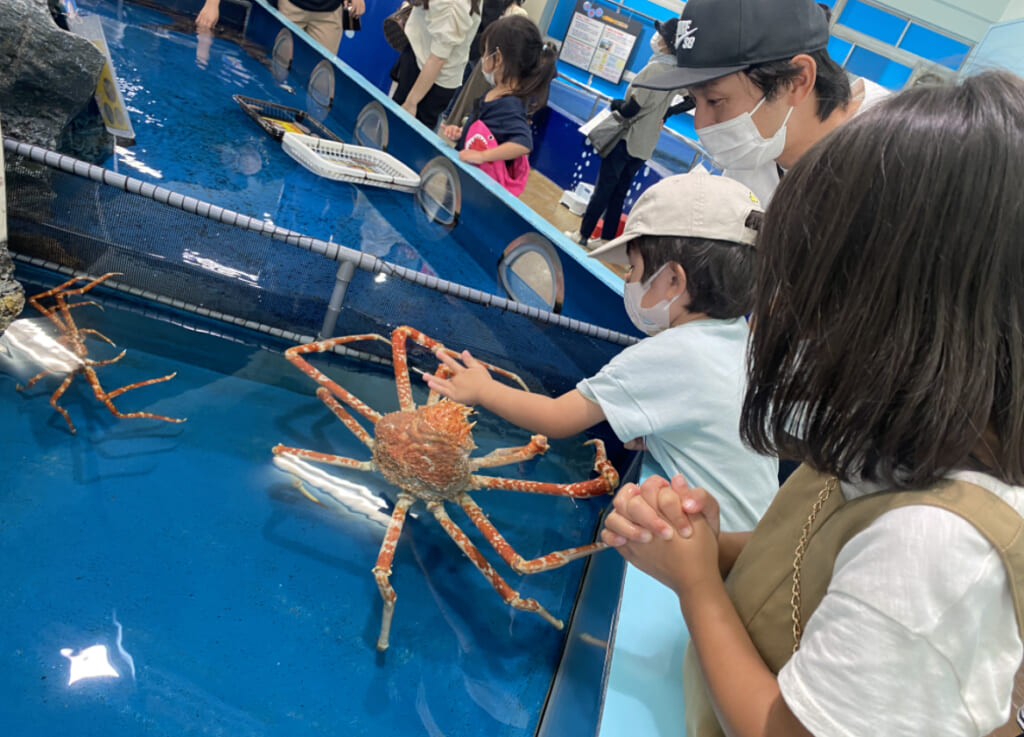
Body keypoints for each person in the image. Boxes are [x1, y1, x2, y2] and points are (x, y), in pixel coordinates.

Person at [602, 70, 1024, 737]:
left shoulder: (936, 549)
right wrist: (708, 547)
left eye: (813, 282)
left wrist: (697, 585)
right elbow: (809, 556)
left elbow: (784, 728)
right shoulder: (889, 437)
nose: (779, 308)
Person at [426, 169, 779, 532]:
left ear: (673, 280)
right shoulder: (742, 342)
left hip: (710, 541)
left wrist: (483, 389)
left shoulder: (671, 354)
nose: (628, 279)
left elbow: (556, 418)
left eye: (634, 268)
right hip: (753, 533)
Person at [637, 0, 888, 204]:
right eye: (693, 100)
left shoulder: (891, 162)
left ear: (797, 82)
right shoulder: (752, 162)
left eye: (715, 100)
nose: (700, 124)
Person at [564, 18, 689, 250]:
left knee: (604, 189)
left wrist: (615, 104)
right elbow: (692, 99)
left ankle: (582, 234)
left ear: (667, 43)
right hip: (645, 145)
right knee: (620, 193)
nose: (657, 38)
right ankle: (606, 240)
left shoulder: (653, 69)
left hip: (627, 140)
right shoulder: (677, 73)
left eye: (661, 35)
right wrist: (667, 113)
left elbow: (631, 109)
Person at [438, 15, 556, 196]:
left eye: (486, 51)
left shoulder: (509, 104)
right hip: (463, 183)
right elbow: (492, 132)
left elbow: (523, 143)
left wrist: (482, 156)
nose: (483, 57)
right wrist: (463, 133)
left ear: (498, 58)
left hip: (475, 193)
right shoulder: (494, 94)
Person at [391, 0, 482, 130]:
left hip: (427, 79)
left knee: (402, 131)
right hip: (421, 61)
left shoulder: (454, 5)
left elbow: (438, 58)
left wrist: (411, 102)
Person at [195, 0, 365, 55]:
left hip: (330, 11)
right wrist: (212, 4)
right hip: (289, 7)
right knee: (277, 66)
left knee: (321, 77)